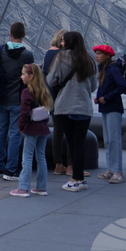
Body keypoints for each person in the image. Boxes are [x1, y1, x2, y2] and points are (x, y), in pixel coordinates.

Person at [47, 31, 97, 192]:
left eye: (63, 41)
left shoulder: (61, 57)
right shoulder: (89, 59)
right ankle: (80, 178)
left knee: (70, 141)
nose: (61, 43)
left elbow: (51, 80)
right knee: (79, 143)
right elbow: (94, 86)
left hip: (65, 106)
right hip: (84, 107)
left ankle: (75, 179)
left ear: (67, 42)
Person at [0, 22, 34, 181]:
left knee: (1, 131)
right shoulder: (27, 55)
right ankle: (11, 170)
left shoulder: (0, 51)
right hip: (18, 99)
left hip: (1, 98)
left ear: (10, 34)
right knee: (15, 133)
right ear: (24, 35)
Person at [10, 63, 52, 197]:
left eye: (23, 74)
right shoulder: (44, 91)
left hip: (31, 129)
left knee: (27, 158)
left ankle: (23, 187)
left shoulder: (26, 92)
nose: (21, 77)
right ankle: (41, 187)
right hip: (43, 128)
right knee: (41, 157)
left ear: (31, 76)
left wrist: (21, 126)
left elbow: (24, 113)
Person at [94, 44, 126, 183]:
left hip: (113, 108)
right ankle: (111, 169)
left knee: (114, 140)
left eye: (99, 53)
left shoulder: (112, 69)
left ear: (107, 56)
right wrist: (99, 97)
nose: (97, 56)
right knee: (108, 140)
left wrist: (106, 97)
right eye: (96, 53)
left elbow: (123, 86)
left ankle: (118, 171)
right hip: (106, 107)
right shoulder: (103, 69)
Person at [44, 29, 71, 176]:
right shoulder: (62, 55)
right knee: (71, 132)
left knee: (58, 132)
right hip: (65, 96)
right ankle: (71, 165)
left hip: (52, 98)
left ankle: (58, 164)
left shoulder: (48, 54)